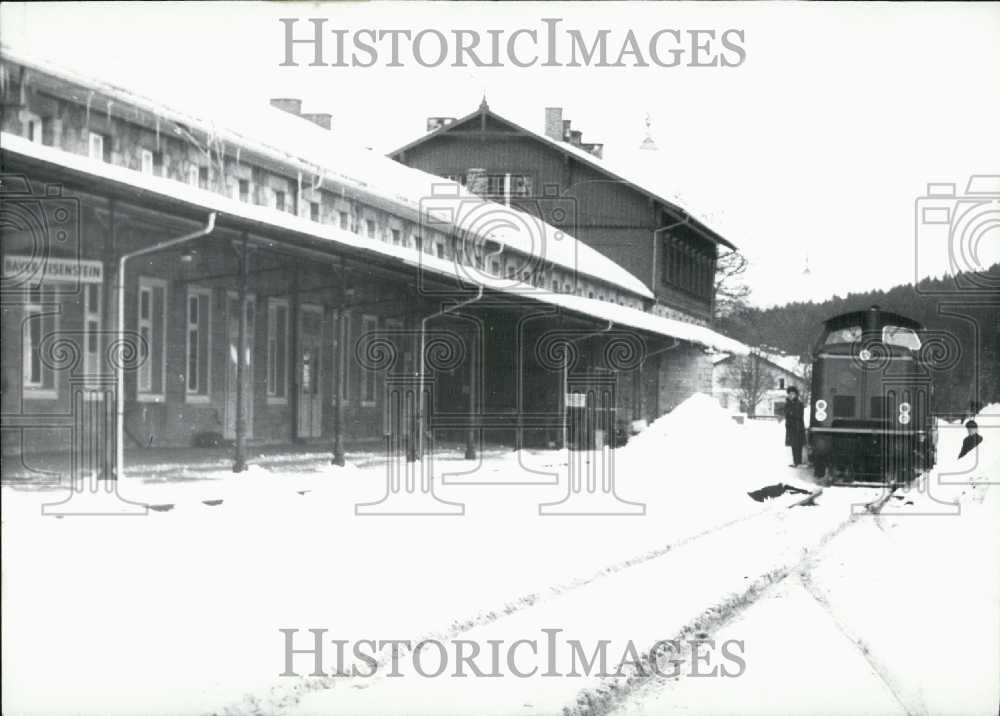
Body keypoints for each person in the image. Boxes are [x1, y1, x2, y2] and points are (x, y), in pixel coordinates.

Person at [784, 386, 806, 466]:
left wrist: (791, 413)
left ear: (796, 395)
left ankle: (798, 461)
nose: (791, 395)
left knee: (798, 445)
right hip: (790, 427)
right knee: (793, 445)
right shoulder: (787, 403)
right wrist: (790, 413)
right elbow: (786, 413)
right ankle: (795, 462)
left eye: (793, 394)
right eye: (790, 394)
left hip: (798, 427)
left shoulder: (799, 403)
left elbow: (799, 415)